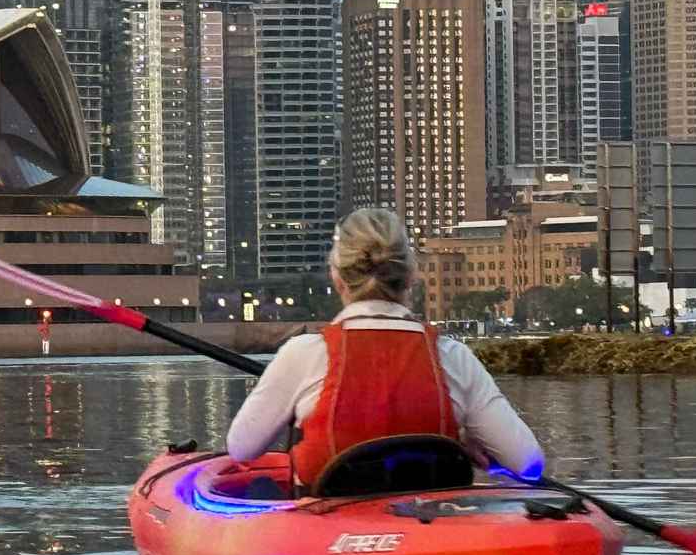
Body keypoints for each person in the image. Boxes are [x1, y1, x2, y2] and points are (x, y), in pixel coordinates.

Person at [226, 207, 543, 491]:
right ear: (411, 277)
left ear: (337, 277)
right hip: (430, 528)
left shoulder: (303, 354)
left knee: (260, 489)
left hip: (329, 525)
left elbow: (241, 447)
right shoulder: (453, 357)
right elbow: (529, 463)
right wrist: (461, 442)